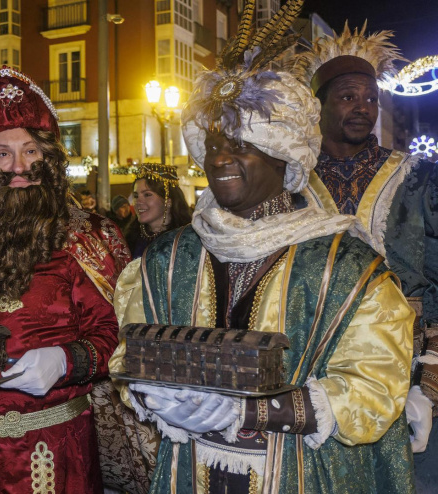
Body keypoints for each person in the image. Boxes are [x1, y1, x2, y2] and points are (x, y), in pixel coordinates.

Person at [110, 5, 415, 491]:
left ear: (283, 156)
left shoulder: (347, 266)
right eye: (212, 145)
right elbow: (131, 352)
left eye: (242, 145)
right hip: (188, 471)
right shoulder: (167, 259)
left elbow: (373, 388)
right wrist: (152, 397)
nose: (221, 159)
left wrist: (248, 410)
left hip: (300, 473)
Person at [0, 67, 131, 493]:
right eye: (2, 154)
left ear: (49, 157)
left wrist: (66, 361)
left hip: (46, 453)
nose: (19, 166)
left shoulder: (86, 234)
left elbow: (120, 334)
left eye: (31, 151)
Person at [290, 24, 438, 468]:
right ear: (319, 106)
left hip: (405, 364)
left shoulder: (418, 177)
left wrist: (430, 376)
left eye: (371, 98)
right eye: (349, 97)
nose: (364, 108)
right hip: (312, 361)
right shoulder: (291, 183)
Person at [125, 164, 192, 258]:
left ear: (168, 201)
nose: (138, 202)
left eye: (147, 195)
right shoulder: (129, 239)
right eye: (136, 196)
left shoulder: (187, 239)